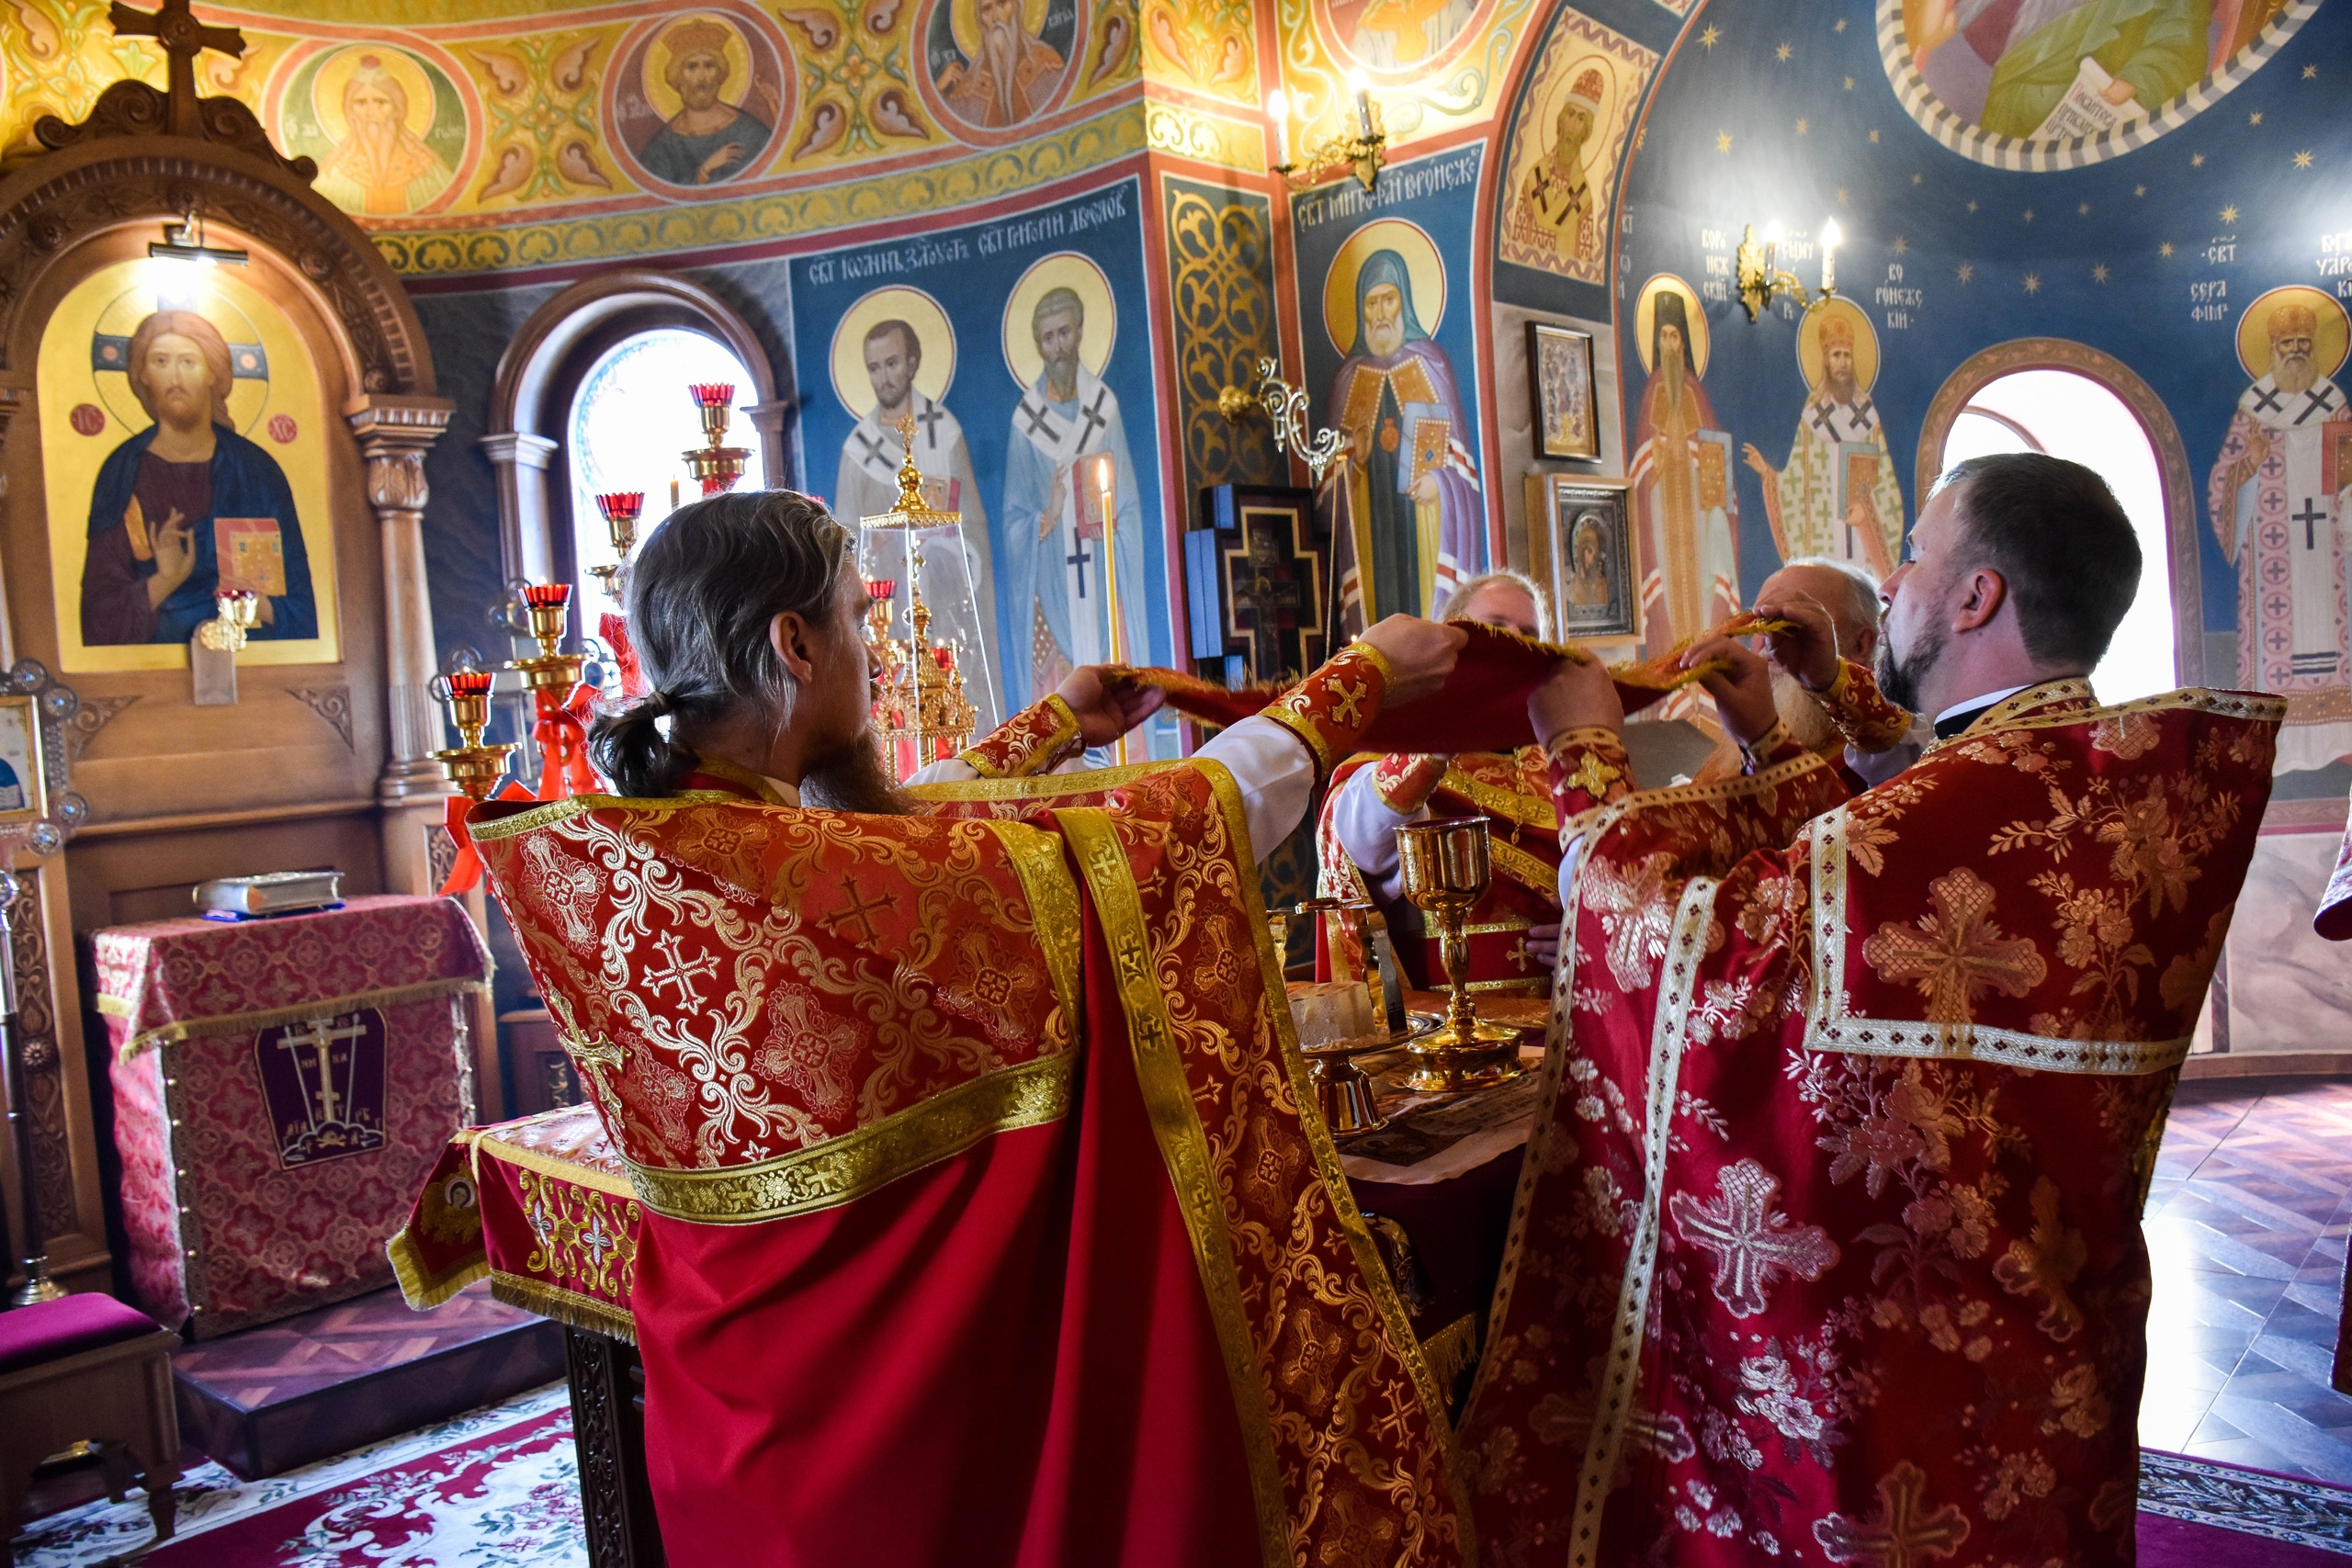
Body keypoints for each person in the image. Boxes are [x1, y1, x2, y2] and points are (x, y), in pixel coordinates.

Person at [469, 487, 1476, 1565]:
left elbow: (902, 842)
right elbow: (1119, 862)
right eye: (859, 619)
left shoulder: (659, 850)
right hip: (882, 1461)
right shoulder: (787, 869)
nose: (877, 651)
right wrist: (1346, 692)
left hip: (736, 1418)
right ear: (794, 644)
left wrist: (1049, 732)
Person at [1464, 452, 2282, 1567]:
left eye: (1914, 557)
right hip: (2049, 1331)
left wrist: (1580, 747)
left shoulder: (1973, 799)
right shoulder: (2099, 780)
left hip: (1917, 1386)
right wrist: (1794, 727)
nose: (1892, 585)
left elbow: (1703, 951)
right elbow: (1873, 838)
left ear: (1974, 595)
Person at [1319, 570, 1567, 993]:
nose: (1513, 641)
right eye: (1494, 627)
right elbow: (1357, 846)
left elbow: (1621, 878)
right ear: (1446, 638)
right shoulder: (1397, 747)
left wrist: (1589, 934)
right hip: (1444, 1029)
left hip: (1563, 1017)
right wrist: (1434, 747)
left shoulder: (1564, 759)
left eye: (1529, 632)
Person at [81, 310, 317, 648]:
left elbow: (303, 613)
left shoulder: (257, 471)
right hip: (149, 674)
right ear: (142, 375)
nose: (175, 378)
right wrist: (165, 579)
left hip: (253, 670)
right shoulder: (122, 472)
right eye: (160, 362)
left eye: (189, 362)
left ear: (212, 373)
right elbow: (98, 619)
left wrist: (242, 600)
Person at [2209, 293, 2352, 774]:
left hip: (2327, 548)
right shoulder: (2253, 411)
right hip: (2273, 557)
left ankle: (2339, 737)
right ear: (2271, 349)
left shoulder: (2334, 406)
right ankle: (2279, 747)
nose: (2296, 351)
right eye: (2286, 342)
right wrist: (2248, 462)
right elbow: (2223, 486)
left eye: (2303, 342)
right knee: (2278, 648)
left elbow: (2348, 474)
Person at [833, 318, 1001, 723]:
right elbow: (843, 548)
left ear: (912, 364)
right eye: (874, 368)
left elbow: (974, 526)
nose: (884, 377)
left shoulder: (944, 434)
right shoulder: (859, 450)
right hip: (887, 613)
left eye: (892, 363)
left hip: (946, 605)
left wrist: (946, 557)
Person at [998, 285, 1144, 709]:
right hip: (1051, 586)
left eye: (1064, 332)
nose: (1058, 347)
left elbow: (1131, 504)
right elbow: (1012, 524)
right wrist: (1050, 513)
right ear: (1038, 345)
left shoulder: (1104, 408)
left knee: (1116, 674)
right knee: (1059, 712)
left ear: (1079, 332)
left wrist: (1111, 526)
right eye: (1048, 338)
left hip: (1102, 577)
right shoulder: (1025, 422)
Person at [1324, 250, 1484, 633]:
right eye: (1371, 303)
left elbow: (1463, 472)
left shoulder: (1433, 365)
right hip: (1372, 532)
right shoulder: (1348, 379)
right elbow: (1327, 491)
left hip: (1423, 528)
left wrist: (1440, 484)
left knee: (1426, 620)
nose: (1380, 314)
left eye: (1388, 300)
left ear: (1405, 303)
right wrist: (1354, 464)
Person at [1741, 304, 1905, 576]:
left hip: (1861, 541)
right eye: (1836, 355)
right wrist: (1769, 475)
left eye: (1847, 356)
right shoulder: (1813, 417)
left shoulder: (1869, 419)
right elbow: (1795, 478)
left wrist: (1867, 515)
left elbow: (1887, 486)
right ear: (1826, 361)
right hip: (1825, 536)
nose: (1842, 362)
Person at [1631, 284, 1738, 656]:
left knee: (1703, 591)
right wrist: (1655, 459)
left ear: (1684, 344)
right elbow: (1640, 468)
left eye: (1675, 336)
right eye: (1663, 336)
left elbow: (1714, 459)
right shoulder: (1651, 393)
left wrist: (1699, 469)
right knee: (1671, 603)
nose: (1669, 344)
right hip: (1662, 514)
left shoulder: (1696, 393)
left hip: (1696, 516)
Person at [313, 54, 454, 216]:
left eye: (380, 102)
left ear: (397, 109)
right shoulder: (333, 172)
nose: (370, 112)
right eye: (361, 103)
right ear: (350, 111)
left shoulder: (429, 170)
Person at [637, 19, 773, 186]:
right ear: (677, 78)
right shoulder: (662, 147)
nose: (701, 77)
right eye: (692, 67)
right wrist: (704, 171)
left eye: (709, 66)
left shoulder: (749, 132)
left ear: (720, 75)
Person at [939, 0, 1067, 128]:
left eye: (1001, 3)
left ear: (1017, 8)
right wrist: (938, 90)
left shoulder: (1045, 62)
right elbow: (950, 129)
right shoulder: (970, 86)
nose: (995, 16)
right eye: (986, 9)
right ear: (980, 21)